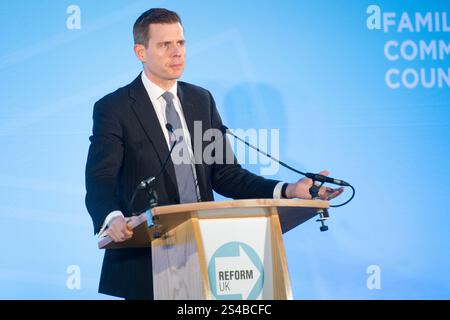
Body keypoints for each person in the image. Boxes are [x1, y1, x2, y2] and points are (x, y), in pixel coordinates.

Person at [85, 8, 344, 300]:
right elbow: (100, 176)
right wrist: (112, 217)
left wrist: (289, 190)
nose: (176, 53)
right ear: (140, 52)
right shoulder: (115, 107)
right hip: (146, 260)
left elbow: (226, 174)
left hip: (206, 252)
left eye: (181, 43)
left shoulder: (200, 100)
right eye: (165, 45)